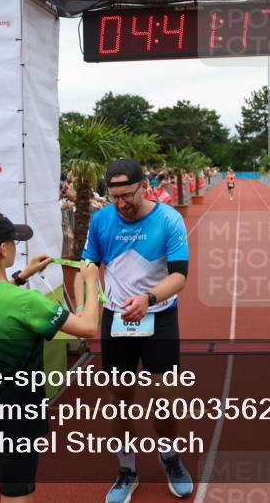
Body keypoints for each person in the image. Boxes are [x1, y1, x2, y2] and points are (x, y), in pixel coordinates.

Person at [0, 210, 100, 503]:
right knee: (17, 492)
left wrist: (23, 275)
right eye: (13, 241)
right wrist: (90, 281)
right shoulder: (29, 302)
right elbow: (88, 328)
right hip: (19, 409)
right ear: (3, 249)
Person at [77, 158, 193, 503]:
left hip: (159, 315)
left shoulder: (169, 219)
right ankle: (127, 469)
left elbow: (180, 275)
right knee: (119, 400)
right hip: (117, 319)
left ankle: (169, 456)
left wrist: (149, 298)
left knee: (165, 399)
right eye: (114, 197)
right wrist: (84, 302)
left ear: (144, 186)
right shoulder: (101, 220)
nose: (121, 204)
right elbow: (87, 265)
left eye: (127, 195)